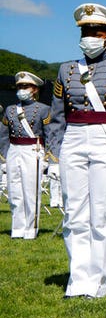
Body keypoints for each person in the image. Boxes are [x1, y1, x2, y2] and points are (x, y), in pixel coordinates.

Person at [47, 3, 106, 298]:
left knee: (101, 212)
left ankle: (98, 282)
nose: (88, 36)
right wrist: (53, 154)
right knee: (74, 212)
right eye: (85, 31)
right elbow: (57, 116)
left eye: (95, 31)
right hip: (73, 138)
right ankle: (77, 281)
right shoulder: (66, 70)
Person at [0, 71, 51, 239]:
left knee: (31, 191)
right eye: (19, 86)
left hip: (33, 150)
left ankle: (31, 228)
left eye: (25, 86)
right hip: (14, 150)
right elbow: (3, 134)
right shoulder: (10, 110)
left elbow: (50, 134)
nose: (22, 89)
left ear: (35, 89)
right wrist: (5, 154)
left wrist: (47, 157)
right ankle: (17, 228)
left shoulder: (44, 110)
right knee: (14, 190)